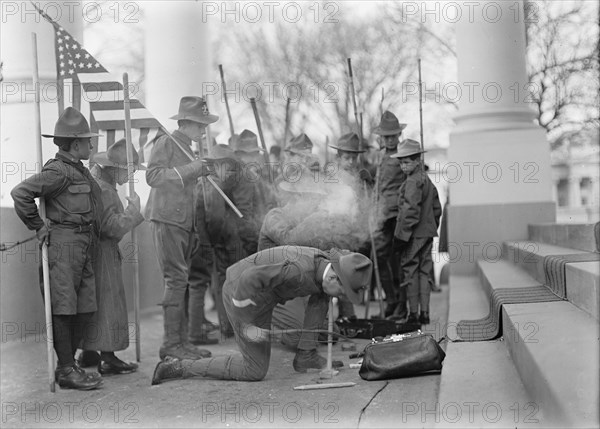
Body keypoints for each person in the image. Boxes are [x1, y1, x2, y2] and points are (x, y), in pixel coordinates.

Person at [151, 246, 372, 384]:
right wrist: (247, 324)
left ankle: (306, 355)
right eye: (344, 293)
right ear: (333, 278)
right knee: (254, 369)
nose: (342, 299)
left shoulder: (329, 266)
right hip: (241, 292)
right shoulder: (296, 269)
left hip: (264, 294)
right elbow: (248, 279)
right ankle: (176, 367)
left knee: (321, 296)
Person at [11, 107, 103, 390]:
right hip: (63, 245)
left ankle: (70, 363)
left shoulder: (79, 170)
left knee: (86, 307)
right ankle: (65, 369)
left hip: (83, 243)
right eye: (88, 141)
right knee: (64, 307)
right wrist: (38, 225)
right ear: (75, 144)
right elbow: (21, 193)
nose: (92, 145)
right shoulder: (58, 172)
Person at [145, 96, 217, 360]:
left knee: (182, 282)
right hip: (166, 221)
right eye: (200, 124)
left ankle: (183, 343)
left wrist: (194, 230)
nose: (203, 129)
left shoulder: (188, 147)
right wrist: (192, 169)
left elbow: (189, 194)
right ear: (185, 123)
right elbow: (152, 176)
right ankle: (171, 346)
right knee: (176, 281)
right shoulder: (167, 142)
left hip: (183, 224)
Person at [78, 139, 144, 375]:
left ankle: (88, 350)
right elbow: (111, 228)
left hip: (90, 252)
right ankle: (108, 357)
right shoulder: (105, 190)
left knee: (94, 303)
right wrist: (133, 213)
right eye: (131, 169)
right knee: (109, 303)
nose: (132, 174)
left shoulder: (99, 182)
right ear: (116, 167)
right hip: (103, 253)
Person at [392, 139, 442, 325]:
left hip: (412, 235)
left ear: (417, 160)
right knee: (424, 272)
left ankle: (413, 314)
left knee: (410, 272)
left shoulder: (413, 181)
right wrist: (430, 227)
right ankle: (425, 313)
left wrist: (401, 237)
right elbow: (437, 209)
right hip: (427, 234)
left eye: (406, 162)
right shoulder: (426, 180)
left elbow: (410, 211)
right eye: (401, 162)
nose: (403, 166)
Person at [371, 111, 408, 319]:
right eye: (387, 136)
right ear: (382, 138)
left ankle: (401, 306)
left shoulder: (404, 154)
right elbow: (378, 186)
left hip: (398, 215)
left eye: (394, 135)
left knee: (400, 260)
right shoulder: (380, 156)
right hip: (381, 215)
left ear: (399, 135)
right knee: (379, 257)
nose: (390, 139)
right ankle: (391, 300)